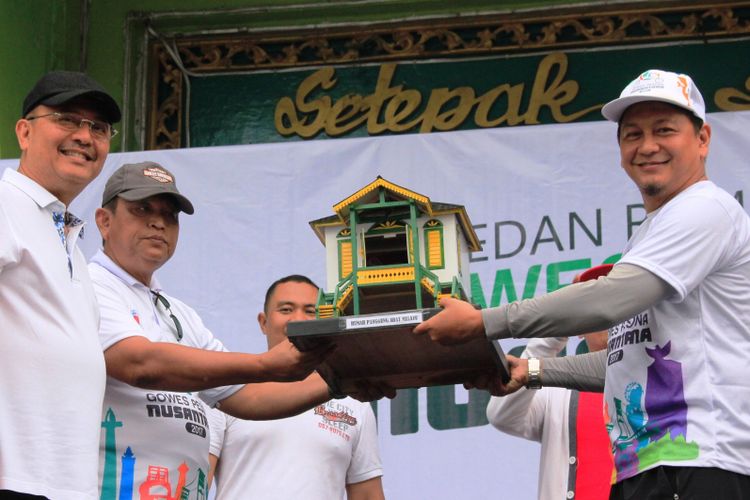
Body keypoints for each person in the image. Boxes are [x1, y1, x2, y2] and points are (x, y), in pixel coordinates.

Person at [415, 69, 750, 499]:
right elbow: (628, 359)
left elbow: (610, 300)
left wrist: (483, 322)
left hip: (702, 464)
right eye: (632, 135)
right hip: (648, 468)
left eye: (664, 130)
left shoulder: (705, 209)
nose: (647, 146)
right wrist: (533, 371)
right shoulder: (653, 231)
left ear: (702, 138)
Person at [89, 162, 347, 499]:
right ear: (104, 221)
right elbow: (141, 364)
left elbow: (246, 396)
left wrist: (344, 377)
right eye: (141, 209)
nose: (158, 222)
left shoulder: (178, 312)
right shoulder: (88, 285)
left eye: (170, 215)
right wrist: (265, 365)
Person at [0, 70, 121, 499]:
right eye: (67, 119)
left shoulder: (66, 234)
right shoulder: (6, 202)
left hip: (62, 484)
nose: (85, 136)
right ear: (24, 132)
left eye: (99, 128)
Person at [208, 275, 385, 500]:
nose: (298, 320)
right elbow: (197, 479)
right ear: (264, 322)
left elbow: (368, 494)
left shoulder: (351, 400)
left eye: (310, 311)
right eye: (286, 310)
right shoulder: (229, 390)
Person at [486, 264, 614, 500]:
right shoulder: (560, 389)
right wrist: (559, 323)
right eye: (595, 306)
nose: (608, 314)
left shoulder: (657, 381)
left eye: (616, 302)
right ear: (580, 329)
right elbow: (501, 415)